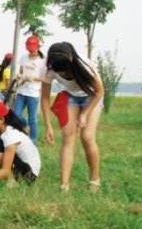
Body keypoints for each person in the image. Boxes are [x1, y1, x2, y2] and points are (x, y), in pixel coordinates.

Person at [40, 42, 104, 192]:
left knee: (87, 137)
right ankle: (64, 186)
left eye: (66, 72)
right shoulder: (49, 68)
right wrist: (48, 126)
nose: (63, 75)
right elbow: (44, 98)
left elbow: (99, 92)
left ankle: (95, 180)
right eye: (60, 73)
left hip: (92, 96)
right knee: (68, 137)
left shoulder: (85, 65)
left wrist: (85, 114)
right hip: (71, 96)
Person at [13, 36, 46, 141]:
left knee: (33, 119)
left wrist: (34, 78)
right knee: (16, 115)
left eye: (33, 49)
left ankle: (33, 140)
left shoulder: (42, 61)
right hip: (21, 91)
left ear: (38, 47)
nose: (31, 52)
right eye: (29, 49)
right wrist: (19, 76)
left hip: (33, 93)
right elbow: (21, 72)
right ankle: (22, 128)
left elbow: (45, 78)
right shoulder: (23, 58)